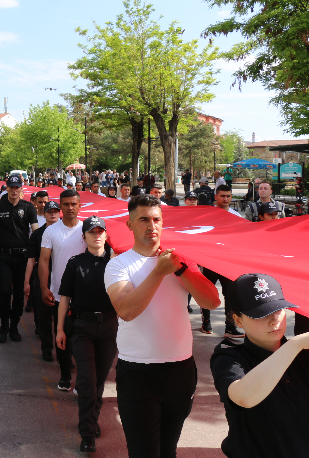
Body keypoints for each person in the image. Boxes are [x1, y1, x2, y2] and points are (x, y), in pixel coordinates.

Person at [104, 194, 221, 458]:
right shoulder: (118, 264)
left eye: (156, 219)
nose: (151, 226)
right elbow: (127, 310)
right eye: (143, 219)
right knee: (143, 452)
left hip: (180, 371)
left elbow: (211, 301)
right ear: (130, 224)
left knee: (168, 450)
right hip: (138, 373)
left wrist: (180, 270)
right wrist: (159, 271)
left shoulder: (179, 261)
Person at [210, 273, 309, 458]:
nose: (274, 320)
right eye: (261, 314)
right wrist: (294, 345)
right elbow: (243, 397)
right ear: (238, 320)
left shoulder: (303, 355)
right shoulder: (229, 356)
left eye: (278, 310)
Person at [57, 216, 117, 454]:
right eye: (92, 232)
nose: (97, 235)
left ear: (106, 234)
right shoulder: (75, 263)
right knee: (86, 382)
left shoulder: (116, 262)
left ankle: (92, 418)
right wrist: (60, 329)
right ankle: (88, 433)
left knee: (99, 381)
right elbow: (64, 298)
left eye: (100, 231)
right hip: (82, 327)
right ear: (84, 237)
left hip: (109, 327)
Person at [39, 189, 85, 391]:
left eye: (74, 204)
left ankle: (82, 381)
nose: (70, 208)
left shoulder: (88, 229)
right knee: (62, 337)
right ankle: (65, 374)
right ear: (60, 206)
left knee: (83, 341)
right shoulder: (51, 231)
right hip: (59, 295)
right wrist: (44, 287)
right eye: (66, 204)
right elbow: (44, 260)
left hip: (84, 297)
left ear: (79, 205)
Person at [0, 174, 38, 343]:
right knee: (5, 292)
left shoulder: (29, 208)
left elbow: (35, 232)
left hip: (22, 257)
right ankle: (3, 325)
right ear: (7, 188)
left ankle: (14, 326)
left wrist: (36, 254)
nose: (14, 190)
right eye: (11, 187)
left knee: (18, 293)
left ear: (21, 189)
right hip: (3, 256)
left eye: (17, 187)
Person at [24, 200, 61, 362]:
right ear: (44, 214)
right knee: (44, 319)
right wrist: (27, 282)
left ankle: (64, 354)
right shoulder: (37, 235)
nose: (53, 214)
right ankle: (47, 349)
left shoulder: (67, 232)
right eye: (49, 211)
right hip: (42, 279)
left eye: (55, 211)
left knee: (63, 319)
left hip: (61, 279)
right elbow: (31, 259)